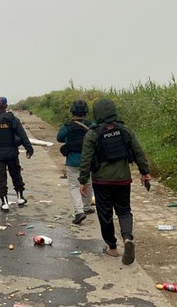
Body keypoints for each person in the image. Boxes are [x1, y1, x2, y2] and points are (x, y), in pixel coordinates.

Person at [78, 98, 151, 265]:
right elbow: (138, 152)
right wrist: (144, 172)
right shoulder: (125, 130)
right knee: (124, 211)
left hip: (101, 182)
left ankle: (112, 247)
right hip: (123, 180)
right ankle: (127, 238)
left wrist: (82, 180)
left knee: (105, 214)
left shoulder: (92, 134)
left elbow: (86, 159)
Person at [0, 96, 34, 211]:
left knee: (0, 178)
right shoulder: (13, 119)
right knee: (16, 174)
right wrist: (29, 148)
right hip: (12, 153)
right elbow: (23, 135)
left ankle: (4, 202)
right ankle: (20, 197)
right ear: (6, 106)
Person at [57, 100, 95, 225]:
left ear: (72, 111)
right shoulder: (91, 125)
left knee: (74, 186)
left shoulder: (67, 126)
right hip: (88, 161)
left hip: (72, 161)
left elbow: (59, 138)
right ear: (85, 112)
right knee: (88, 183)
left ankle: (79, 212)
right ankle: (87, 207)